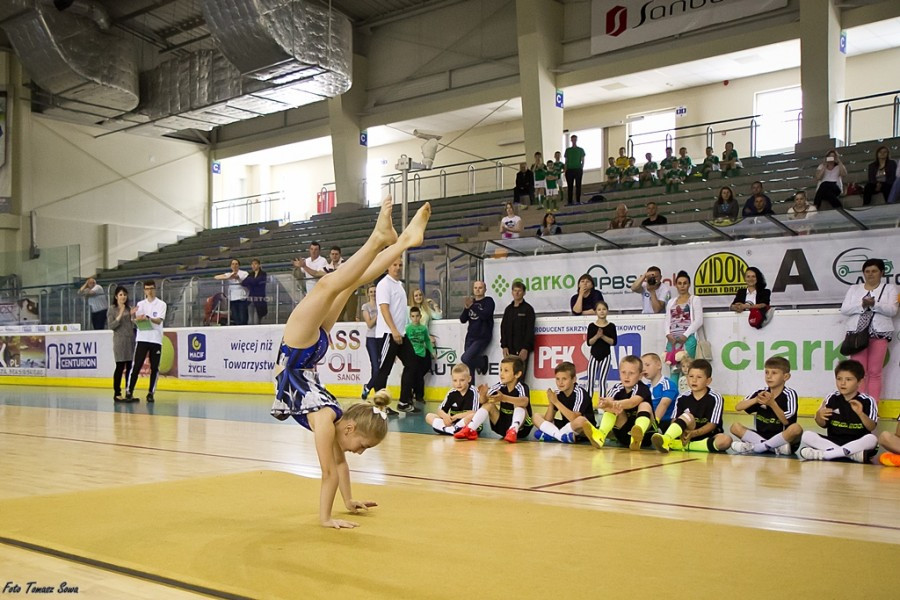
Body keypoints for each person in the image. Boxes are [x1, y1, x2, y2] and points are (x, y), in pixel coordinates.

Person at [269, 196, 430, 528]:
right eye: (362, 446)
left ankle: (396, 242)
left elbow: (336, 469)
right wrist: (327, 518)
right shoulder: (329, 420)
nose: (359, 452)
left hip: (303, 353)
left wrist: (347, 501)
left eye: (363, 449)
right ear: (350, 428)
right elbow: (332, 470)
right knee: (335, 282)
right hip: (301, 352)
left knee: (343, 281)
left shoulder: (330, 422)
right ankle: (388, 241)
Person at [839, 258, 898, 403]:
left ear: (882, 272)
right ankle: (857, 405)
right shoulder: (854, 288)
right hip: (857, 334)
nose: (870, 274)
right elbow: (844, 309)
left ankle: (872, 406)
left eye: (874, 271)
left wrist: (875, 304)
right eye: (867, 271)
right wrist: (862, 305)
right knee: (858, 372)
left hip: (879, 333)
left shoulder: (890, 288)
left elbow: (893, 310)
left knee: (875, 372)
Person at [797, 360, 878, 463]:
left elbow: (871, 427)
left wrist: (860, 414)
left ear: (860, 382)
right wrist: (819, 416)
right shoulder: (832, 398)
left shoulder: (867, 400)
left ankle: (827, 454)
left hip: (857, 443)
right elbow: (822, 424)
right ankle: (850, 455)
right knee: (807, 435)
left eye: (848, 379)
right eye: (839, 379)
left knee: (872, 439)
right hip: (834, 440)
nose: (842, 383)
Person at [650, 359, 731, 453]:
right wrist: (682, 434)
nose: (694, 380)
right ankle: (666, 439)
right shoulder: (682, 397)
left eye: (699, 377)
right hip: (685, 433)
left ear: (708, 381)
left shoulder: (715, 397)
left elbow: (712, 424)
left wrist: (694, 434)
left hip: (706, 436)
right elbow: (674, 420)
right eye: (691, 376)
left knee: (726, 440)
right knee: (687, 416)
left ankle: (682, 446)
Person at [730, 356, 802, 456]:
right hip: (761, 436)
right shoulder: (761, 392)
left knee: (796, 428)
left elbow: (786, 420)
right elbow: (738, 407)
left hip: (783, 439)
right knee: (735, 427)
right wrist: (756, 400)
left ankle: (758, 447)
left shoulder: (790, 394)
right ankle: (770, 447)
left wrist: (772, 404)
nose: (769, 376)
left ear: (786, 377)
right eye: (766, 372)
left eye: (774, 373)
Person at [372, 257, 417, 413]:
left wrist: (400, 331)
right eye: (394, 265)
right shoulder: (384, 285)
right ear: (388, 267)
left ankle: (404, 401)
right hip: (388, 334)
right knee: (384, 370)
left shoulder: (399, 285)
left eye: (400, 265)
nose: (398, 268)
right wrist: (393, 330)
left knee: (412, 363)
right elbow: (384, 309)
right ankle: (380, 405)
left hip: (401, 334)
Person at [453, 356, 533, 443]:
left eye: (506, 371)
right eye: (501, 370)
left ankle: (513, 429)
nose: (501, 374)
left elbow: (525, 402)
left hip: (521, 430)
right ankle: (470, 429)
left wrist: (504, 398)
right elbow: (482, 402)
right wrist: (483, 395)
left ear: (517, 374)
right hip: (502, 427)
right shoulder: (500, 386)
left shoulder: (522, 387)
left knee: (520, 406)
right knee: (488, 405)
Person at [582, 355, 654, 450]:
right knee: (611, 408)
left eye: (631, 373)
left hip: (646, 436)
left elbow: (632, 402)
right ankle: (600, 435)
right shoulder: (617, 388)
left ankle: (638, 434)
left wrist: (611, 404)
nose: (626, 376)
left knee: (645, 405)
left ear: (640, 376)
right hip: (623, 434)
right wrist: (605, 404)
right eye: (623, 372)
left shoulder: (642, 388)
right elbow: (608, 401)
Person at [124, 280, 167, 403]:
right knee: (136, 366)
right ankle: (129, 391)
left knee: (154, 367)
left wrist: (148, 318)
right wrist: (134, 317)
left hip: (155, 339)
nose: (150, 291)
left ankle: (150, 392)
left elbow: (159, 320)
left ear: (155, 289)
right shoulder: (140, 304)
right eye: (147, 289)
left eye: (152, 288)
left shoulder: (161, 304)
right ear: (144, 290)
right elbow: (136, 319)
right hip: (142, 338)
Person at [532, 361, 595, 443]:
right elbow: (548, 420)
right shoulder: (558, 393)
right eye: (557, 379)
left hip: (581, 430)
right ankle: (561, 436)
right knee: (536, 416)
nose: (560, 382)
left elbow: (574, 418)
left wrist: (556, 402)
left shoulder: (580, 393)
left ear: (573, 379)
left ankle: (553, 435)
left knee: (581, 420)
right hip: (566, 426)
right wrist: (551, 403)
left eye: (564, 379)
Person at [425, 363, 479, 435]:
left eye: (462, 380)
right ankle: (452, 430)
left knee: (472, 416)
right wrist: (445, 417)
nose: (458, 383)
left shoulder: (474, 392)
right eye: (455, 380)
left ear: (469, 379)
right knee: (429, 416)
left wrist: (457, 416)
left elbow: (474, 413)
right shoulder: (451, 393)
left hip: (468, 424)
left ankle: (449, 430)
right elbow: (440, 410)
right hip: (453, 423)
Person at [460, 281, 495, 383]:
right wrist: (467, 308)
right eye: (475, 288)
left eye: (480, 287)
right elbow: (463, 319)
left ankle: (482, 362)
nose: (478, 290)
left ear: (485, 289)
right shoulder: (472, 303)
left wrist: (472, 306)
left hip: (482, 336)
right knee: (468, 363)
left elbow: (485, 315)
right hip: (470, 336)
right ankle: (471, 389)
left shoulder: (488, 301)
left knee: (466, 358)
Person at [664, 271, 703, 362]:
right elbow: (667, 320)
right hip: (672, 339)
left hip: (688, 338)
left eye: (685, 283)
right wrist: (668, 334)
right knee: (673, 368)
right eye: (679, 283)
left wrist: (685, 335)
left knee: (687, 367)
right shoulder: (671, 301)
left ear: (689, 285)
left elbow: (699, 320)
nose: (682, 286)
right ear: (676, 285)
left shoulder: (695, 299)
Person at [500, 281, 535, 376]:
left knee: (519, 375)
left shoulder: (528, 309)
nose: (517, 293)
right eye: (515, 290)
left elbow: (530, 330)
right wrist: (504, 346)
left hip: (521, 349)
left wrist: (525, 348)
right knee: (509, 375)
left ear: (524, 293)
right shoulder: (508, 310)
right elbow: (503, 328)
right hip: (509, 349)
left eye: (519, 291)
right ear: (512, 292)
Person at [404, 306, 435, 411]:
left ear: (420, 317)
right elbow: (405, 342)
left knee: (420, 376)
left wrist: (432, 351)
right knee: (413, 376)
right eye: (413, 316)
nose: (415, 318)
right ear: (410, 317)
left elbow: (427, 340)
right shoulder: (408, 328)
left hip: (422, 354)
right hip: (412, 355)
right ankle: (411, 396)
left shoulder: (423, 328)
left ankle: (418, 395)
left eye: (417, 316)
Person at [585, 300, 616, 401]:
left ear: (607, 311)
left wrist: (602, 336)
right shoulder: (592, 326)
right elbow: (589, 342)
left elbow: (613, 342)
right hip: (594, 356)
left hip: (606, 356)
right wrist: (597, 336)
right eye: (599, 309)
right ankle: (587, 405)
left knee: (602, 381)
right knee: (590, 381)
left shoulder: (611, 326)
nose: (602, 311)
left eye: (604, 309)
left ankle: (602, 405)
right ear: (595, 312)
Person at [108, 286, 135, 403]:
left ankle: (129, 392)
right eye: (120, 294)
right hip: (119, 341)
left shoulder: (130, 309)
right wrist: (120, 314)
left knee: (130, 368)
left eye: (124, 294)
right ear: (116, 296)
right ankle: (117, 392)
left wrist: (134, 317)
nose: (123, 297)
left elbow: (134, 324)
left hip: (130, 341)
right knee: (120, 367)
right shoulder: (112, 309)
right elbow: (111, 325)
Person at [642, 353, 677, 429]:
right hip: (648, 421)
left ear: (659, 365)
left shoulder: (668, 384)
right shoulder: (645, 387)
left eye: (647, 365)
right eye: (642, 367)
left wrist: (653, 424)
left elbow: (664, 404)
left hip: (665, 422)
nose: (643, 369)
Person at [215, 259, 249, 325]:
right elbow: (216, 277)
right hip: (232, 299)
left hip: (242, 299)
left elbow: (237, 277)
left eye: (236, 264)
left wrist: (230, 277)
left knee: (243, 319)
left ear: (239, 265)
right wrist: (227, 277)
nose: (234, 265)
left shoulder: (244, 273)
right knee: (236, 319)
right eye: (233, 264)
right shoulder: (229, 274)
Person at [360, 285, 379, 400]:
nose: (373, 293)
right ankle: (368, 387)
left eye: (375, 291)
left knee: (379, 367)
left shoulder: (382, 305)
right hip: (371, 338)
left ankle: (374, 390)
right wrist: (378, 315)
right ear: (368, 294)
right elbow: (369, 324)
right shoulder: (366, 306)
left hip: (381, 337)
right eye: (371, 292)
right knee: (376, 367)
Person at [242, 258, 268, 324]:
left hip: (259, 299)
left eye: (255, 264)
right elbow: (244, 282)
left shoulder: (263, 274)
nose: (253, 265)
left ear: (259, 265)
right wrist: (252, 281)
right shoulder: (251, 274)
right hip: (251, 299)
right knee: (250, 321)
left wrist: (250, 281)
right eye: (252, 264)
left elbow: (256, 281)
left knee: (256, 320)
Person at [564, 134, 585, 205]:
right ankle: (570, 201)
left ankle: (578, 200)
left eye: (575, 139)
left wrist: (581, 168)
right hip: (569, 170)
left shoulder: (580, 149)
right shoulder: (568, 150)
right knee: (570, 186)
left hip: (578, 169)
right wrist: (565, 170)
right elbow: (566, 161)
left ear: (576, 140)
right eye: (572, 139)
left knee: (578, 185)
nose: (574, 141)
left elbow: (582, 160)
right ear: (571, 140)